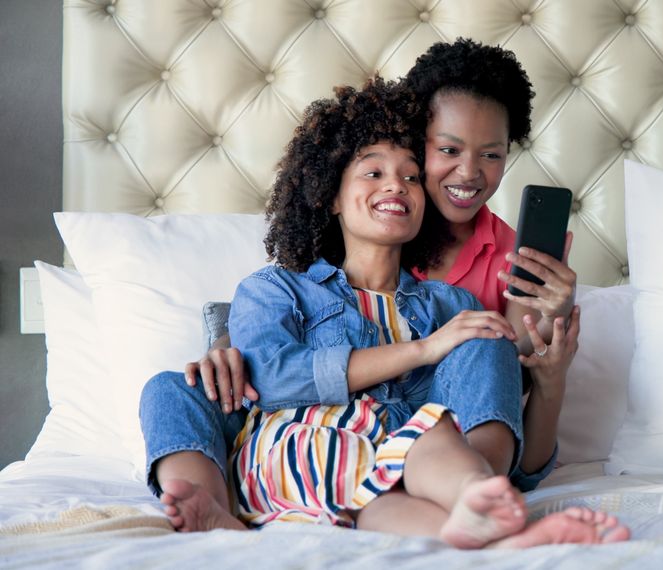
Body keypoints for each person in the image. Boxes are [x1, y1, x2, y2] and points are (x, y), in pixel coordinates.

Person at [141, 38, 575, 532]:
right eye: (374, 172)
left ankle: (478, 499)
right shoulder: (280, 287)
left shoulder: (457, 302)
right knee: (169, 389)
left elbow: (488, 391)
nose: (397, 185)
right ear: (331, 196)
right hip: (277, 445)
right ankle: (209, 508)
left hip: (392, 460)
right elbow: (268, 371)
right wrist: (224, 346)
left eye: (411, 178)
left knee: (485, 341)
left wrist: (545, 362)